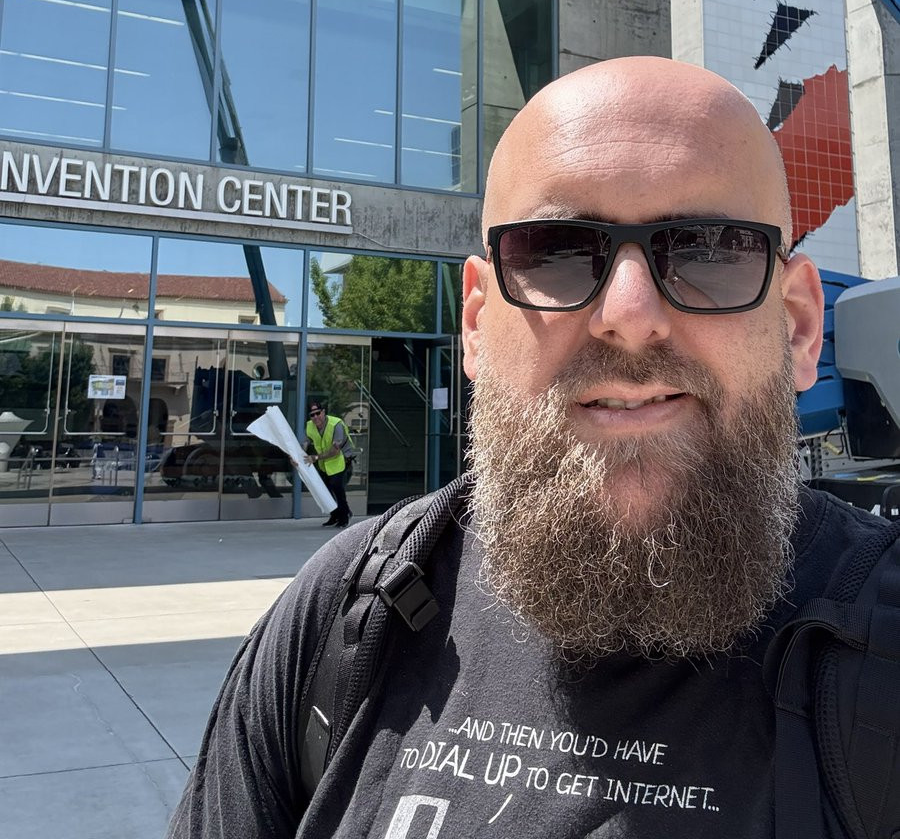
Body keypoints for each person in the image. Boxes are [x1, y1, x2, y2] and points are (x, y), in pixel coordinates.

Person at [166, 57, 894, 839]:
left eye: (710, 251)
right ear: (477, 326)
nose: (629, 314)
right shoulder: (344, 611)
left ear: (799, 328)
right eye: (554, 252)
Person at [304, 400, 351, 528]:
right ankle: (334, 515)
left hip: (341, 459)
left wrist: (316, 457)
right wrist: (298, 455)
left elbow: (335, 451)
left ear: (323, 412)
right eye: (312, 415)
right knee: (325, 489)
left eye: (318, 413)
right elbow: (305, 442)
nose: (315, 417)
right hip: (325, 463)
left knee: (337, 487)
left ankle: (344, 516)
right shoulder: (310, 426)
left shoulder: (336, 424)